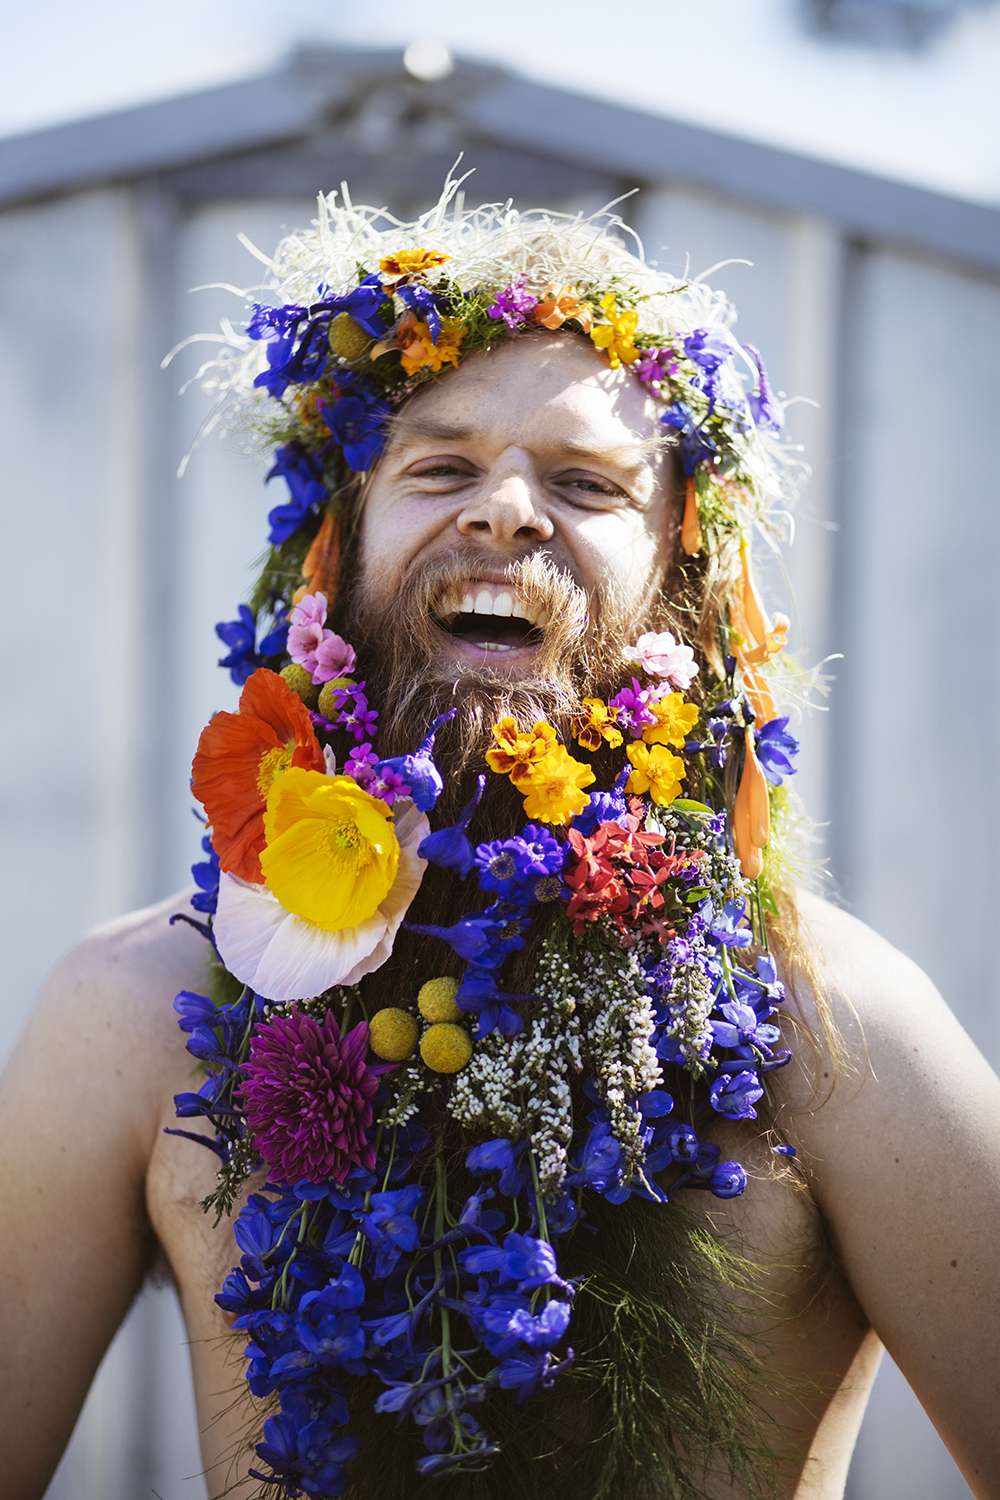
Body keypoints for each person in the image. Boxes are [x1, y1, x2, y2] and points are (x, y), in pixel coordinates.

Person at [2, 178, 999, 1500]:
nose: (508, 513)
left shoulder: (836, 1027)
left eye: (585, 482)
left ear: (679, 586)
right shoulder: (138, 1009)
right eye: (441, 467)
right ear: (336, 551)